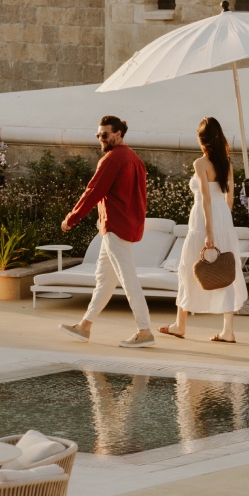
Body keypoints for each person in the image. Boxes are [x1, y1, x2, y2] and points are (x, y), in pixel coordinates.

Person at [58, 114, 155, 348]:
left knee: (128, 280)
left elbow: (93, 191)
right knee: (104, 280)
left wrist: (72, 218)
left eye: (104, 134)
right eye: (98, 135)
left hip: (115, 227)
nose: (100, 138)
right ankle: (84, 326)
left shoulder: (112, 159)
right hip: (121, 227)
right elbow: (141, 197)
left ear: (118, 134)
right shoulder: (134, 159)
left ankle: (144, 331)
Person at [160, 117, 247, 342]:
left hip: (202, 220)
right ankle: (227, 330)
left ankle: (180, 325)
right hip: (223, 218)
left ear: (202, 139)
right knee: (226, 269)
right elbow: (229, 200)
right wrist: (221, 222)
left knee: (188, 266)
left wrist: (209, 232)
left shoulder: (200, 163)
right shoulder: (226, 164)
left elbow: (206, 199)